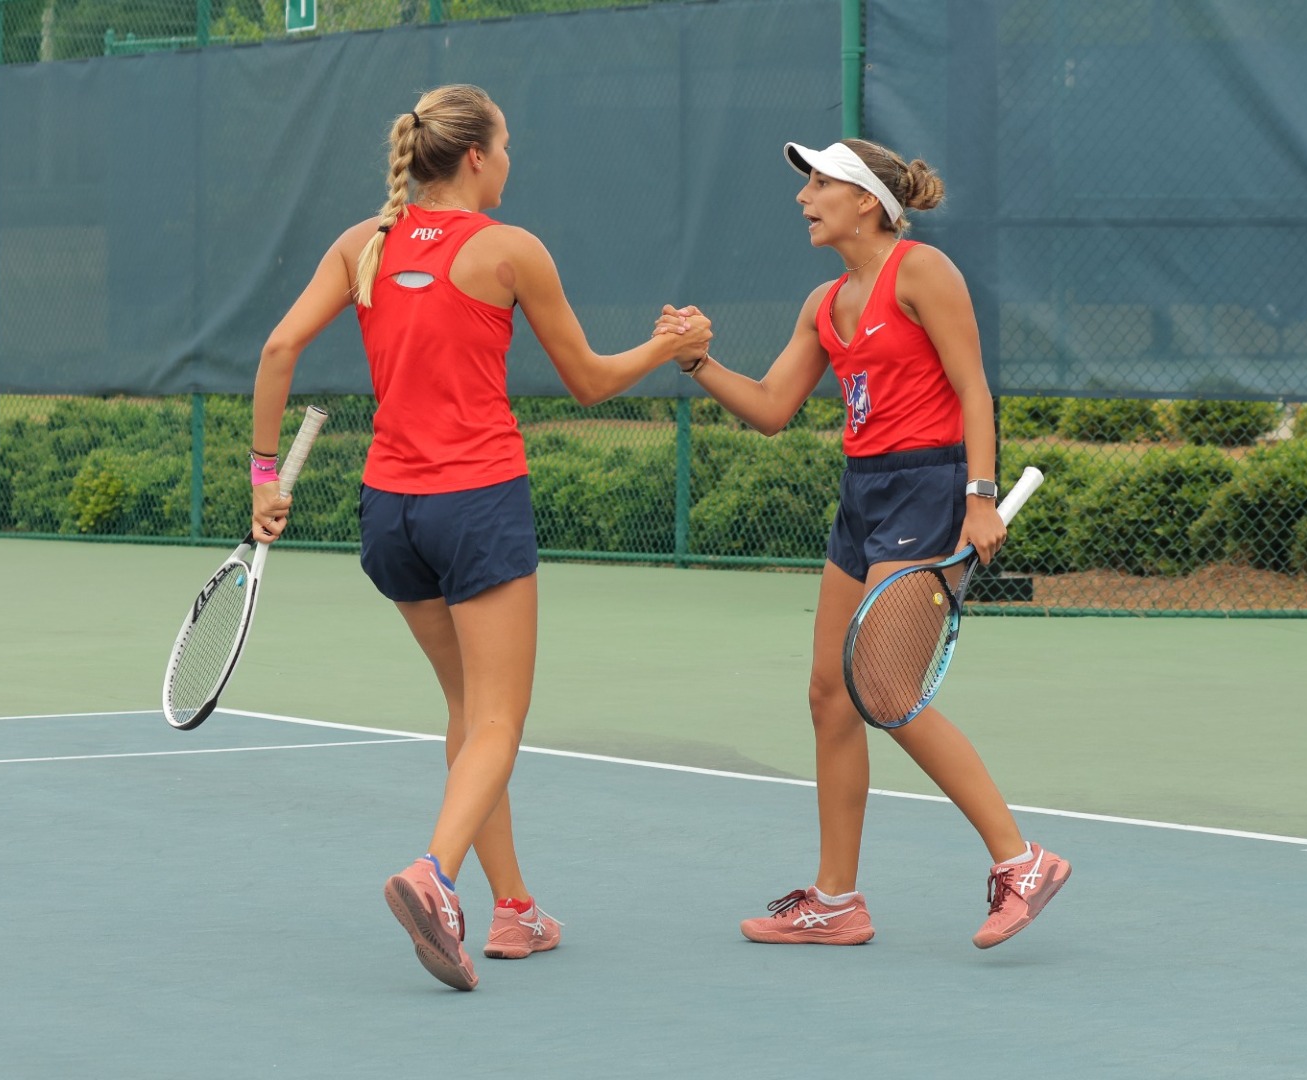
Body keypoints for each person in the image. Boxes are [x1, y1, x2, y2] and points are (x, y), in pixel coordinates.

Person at [248, 84, 711, 990]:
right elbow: (586, 380)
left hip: (389, 515)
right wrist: (669, 347)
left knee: (469, 714)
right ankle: (436, 876)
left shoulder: (363, 245)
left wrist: (264, 478)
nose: (510, 162)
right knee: (499, 721)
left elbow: (275, 351)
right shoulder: (509, 250)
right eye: (506, 147)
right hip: (478, 504)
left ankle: (516, 911)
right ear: (474, 158)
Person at [657, 138, 1068, 950]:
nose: (804, 199)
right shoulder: (824, 301)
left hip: (930, 488)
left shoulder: (923, 272)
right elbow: (774, 406)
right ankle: (836, 901)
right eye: (805, 186)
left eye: (820, 185)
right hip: (863, 495)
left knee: (884, 690)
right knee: (829, 696)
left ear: (867, 202)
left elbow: (972, 386)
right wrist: (695, 359)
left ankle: (1021, 860)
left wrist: (980, 498)